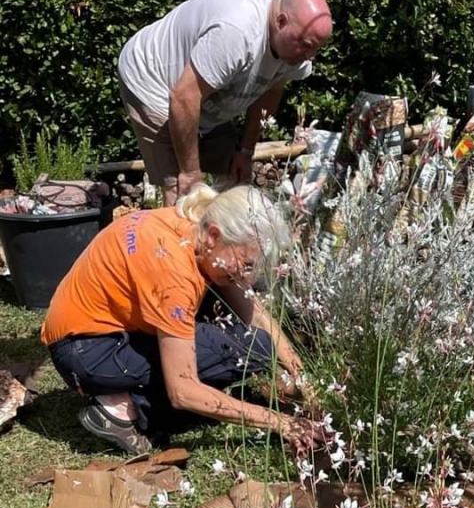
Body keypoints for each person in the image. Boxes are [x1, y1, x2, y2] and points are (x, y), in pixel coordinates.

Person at [41, 184, 316, 455]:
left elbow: (252, 311)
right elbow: (183, 390)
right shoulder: (174, 273)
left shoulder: (193, 224)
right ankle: (125, 408)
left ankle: (126, 393)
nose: (248, 277)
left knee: (256, 341)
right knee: (249, 349)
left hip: (83, 335)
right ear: (214, 235)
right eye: (246, 264)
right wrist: (281, 422)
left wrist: (303, 378)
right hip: (89, 352)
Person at [118, 0, 333, 205]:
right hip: (153, 80)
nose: (310, 56)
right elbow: (183, 98)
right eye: (307, 46)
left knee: (234, 176)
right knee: (183, 193)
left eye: (316, 48)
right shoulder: (236, 33)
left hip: (202, 92)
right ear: (281, 21)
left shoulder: (294, 44)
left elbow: (271, 90)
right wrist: (190, 173)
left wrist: (246, 151)